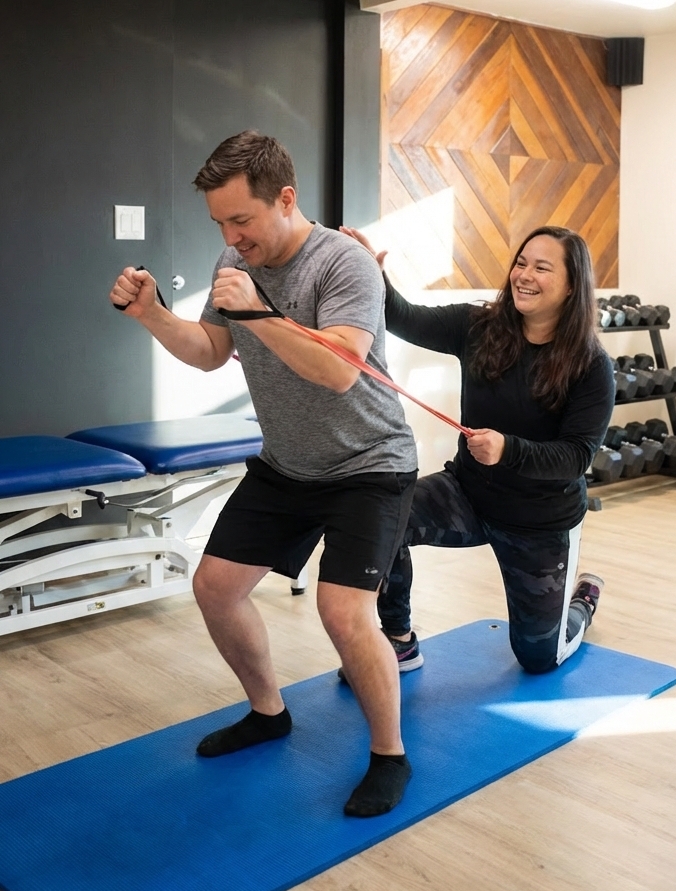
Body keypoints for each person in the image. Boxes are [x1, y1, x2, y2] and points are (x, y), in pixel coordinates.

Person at [110, 132, 418, 818]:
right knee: (215, 588)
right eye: (219, 223)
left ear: (286, 198)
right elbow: (213, 350)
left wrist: (261, 311)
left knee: (342, 612)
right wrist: (153, 315)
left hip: (371, 463)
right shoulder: (234, 260)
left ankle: (390, 755)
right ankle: (267, 712)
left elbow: (338, 369)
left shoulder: (344, 265)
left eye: (240, 219)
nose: (230, 236)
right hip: (288, 463)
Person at [340, 224, 615, 677]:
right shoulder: (478, 326)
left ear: (571, 287)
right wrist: (373, 275)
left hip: (539, 522)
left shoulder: (590, 364)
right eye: (521, 263)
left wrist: (509, 449)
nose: (524, 275)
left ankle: (582, 603)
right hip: (467, 494)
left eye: (542, 268)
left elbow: (576, 457)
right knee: (382, 519)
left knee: (538, 659)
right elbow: (403, 316)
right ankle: (399, 640)